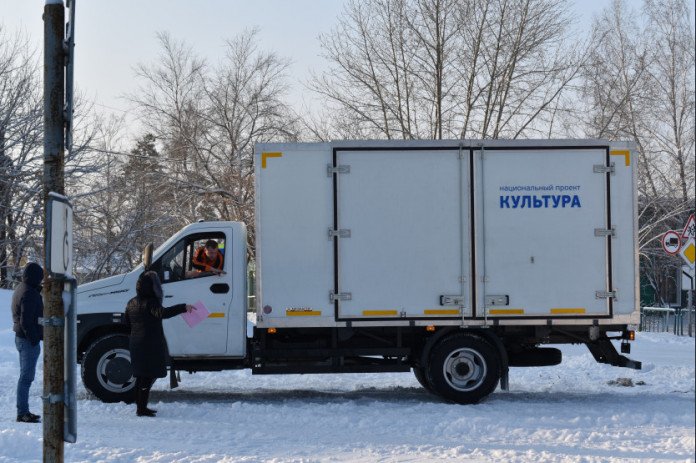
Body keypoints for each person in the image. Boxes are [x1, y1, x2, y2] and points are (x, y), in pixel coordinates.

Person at [124, 271, 193, 417]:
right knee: (147, 377)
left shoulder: (131, 302)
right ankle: (141, 409)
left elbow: (127, 323)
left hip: (136, 343)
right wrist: (183, 307)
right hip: (149, 344)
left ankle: (140, 406)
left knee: (140, 376)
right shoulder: (151, 302)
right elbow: (163, 313)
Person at [11, 262, 44, 423]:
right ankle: (22, 413)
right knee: (26, 378)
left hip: (20, 338)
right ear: (36, 277)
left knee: (25, 377)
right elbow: (26, 321)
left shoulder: (21, 288)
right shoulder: (29, 292)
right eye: (40, 277)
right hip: (26, 340)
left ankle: (23, 411)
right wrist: (34, 339)